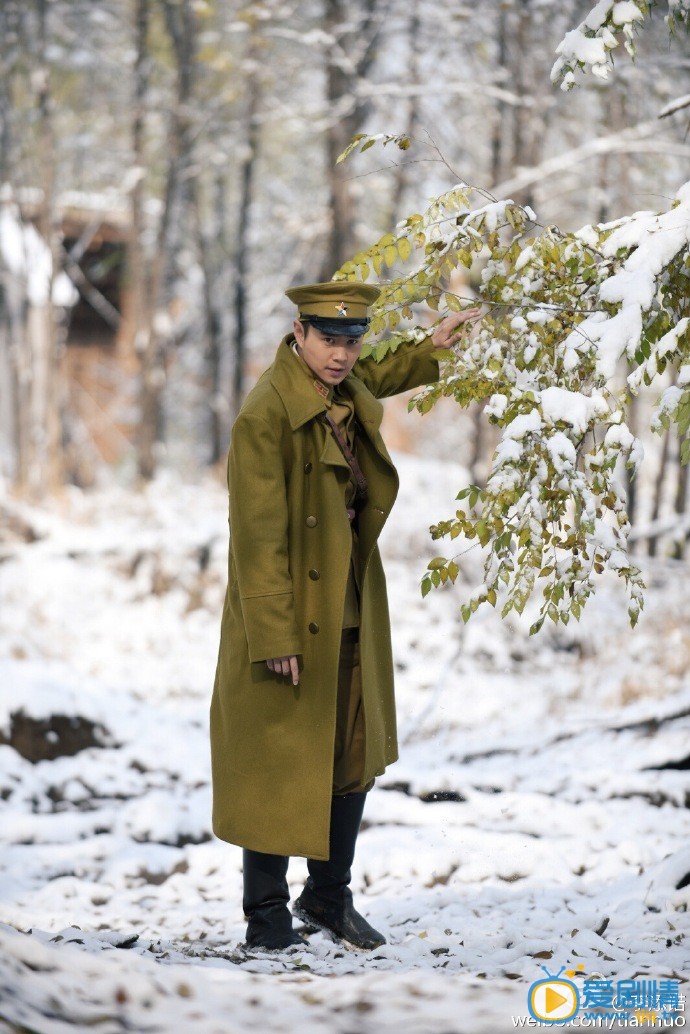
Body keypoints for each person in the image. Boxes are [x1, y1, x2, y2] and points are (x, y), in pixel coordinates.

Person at [210, 281, 479, 952]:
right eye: (328, 340)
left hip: (348, 605)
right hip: (289, 617)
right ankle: (266, 918)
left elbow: (378, 373)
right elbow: (257, 534)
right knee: (276, 761)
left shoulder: (342, 388)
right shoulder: (265, 414)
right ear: (298, 334)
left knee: (351, 751)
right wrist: (272, 630)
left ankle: (327, 897)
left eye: (350, 341)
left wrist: (434, 346)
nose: (341, 354)